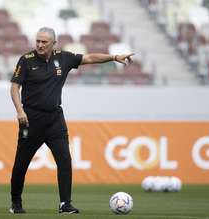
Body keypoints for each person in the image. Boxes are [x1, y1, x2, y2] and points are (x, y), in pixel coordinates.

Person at [9, 27, 134, 214]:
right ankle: (16, 204)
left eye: (44, 42)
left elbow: (89, 58)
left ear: (54, 43)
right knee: (21, 163)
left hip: (55, 119)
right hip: (31, 119)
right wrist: (20, 111)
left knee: (65, 161)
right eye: (38, 41)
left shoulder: (64, 58)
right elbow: (14, 88)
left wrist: (114, 57)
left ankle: (65, 204)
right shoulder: (26, 60)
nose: (40, 45)